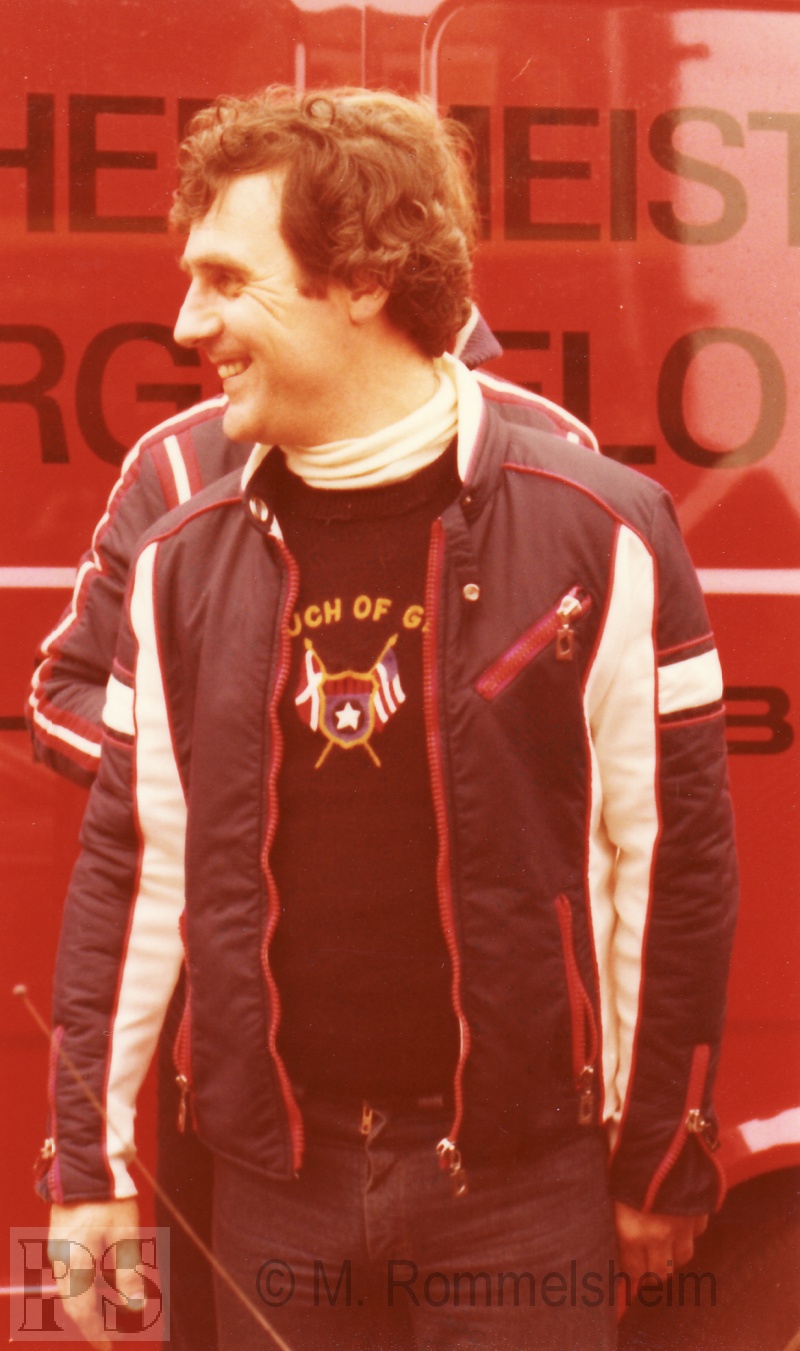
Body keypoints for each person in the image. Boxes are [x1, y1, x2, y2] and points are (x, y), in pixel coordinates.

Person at [38, 86, 737, 1351]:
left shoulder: (599, 527)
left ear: (364, 278)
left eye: (226, 280)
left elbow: (667, 865)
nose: (189, 322)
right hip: (272, 1185)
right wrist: (88, 1168)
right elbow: (135, 870)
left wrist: (655, 1153)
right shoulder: (179, 559)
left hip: (519, 1188)